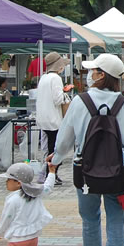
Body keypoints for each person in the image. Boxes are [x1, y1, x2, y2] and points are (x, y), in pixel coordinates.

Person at [49, 53, 124, 246]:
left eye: (94, 71)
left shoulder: (81, 102)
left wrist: (56, 160)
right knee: (115, 226)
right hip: (118, 174)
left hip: (85, 172)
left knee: (90, 221)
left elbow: (65, 138)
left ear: (102, 75)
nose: (90, 74)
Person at [37, 52, 70, 185]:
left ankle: (49, 174)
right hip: (53, 120)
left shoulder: (43, 78)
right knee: (56, 149)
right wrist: (66, 95)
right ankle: (50, 174)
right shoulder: (55, 78)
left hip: (43, 119)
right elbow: (58, 99)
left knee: (50, 148)